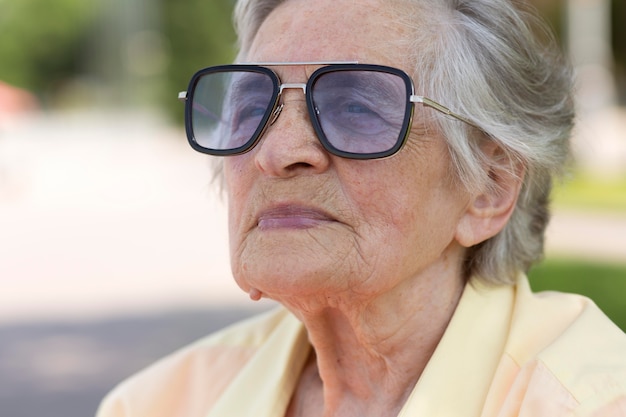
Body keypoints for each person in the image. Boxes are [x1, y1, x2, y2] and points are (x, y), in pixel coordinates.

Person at [96, 0, 626, 415]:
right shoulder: (157, 404)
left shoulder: (593, 401)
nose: (278, 152)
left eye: (354, 106)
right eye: (254, 106)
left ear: (488, 187)